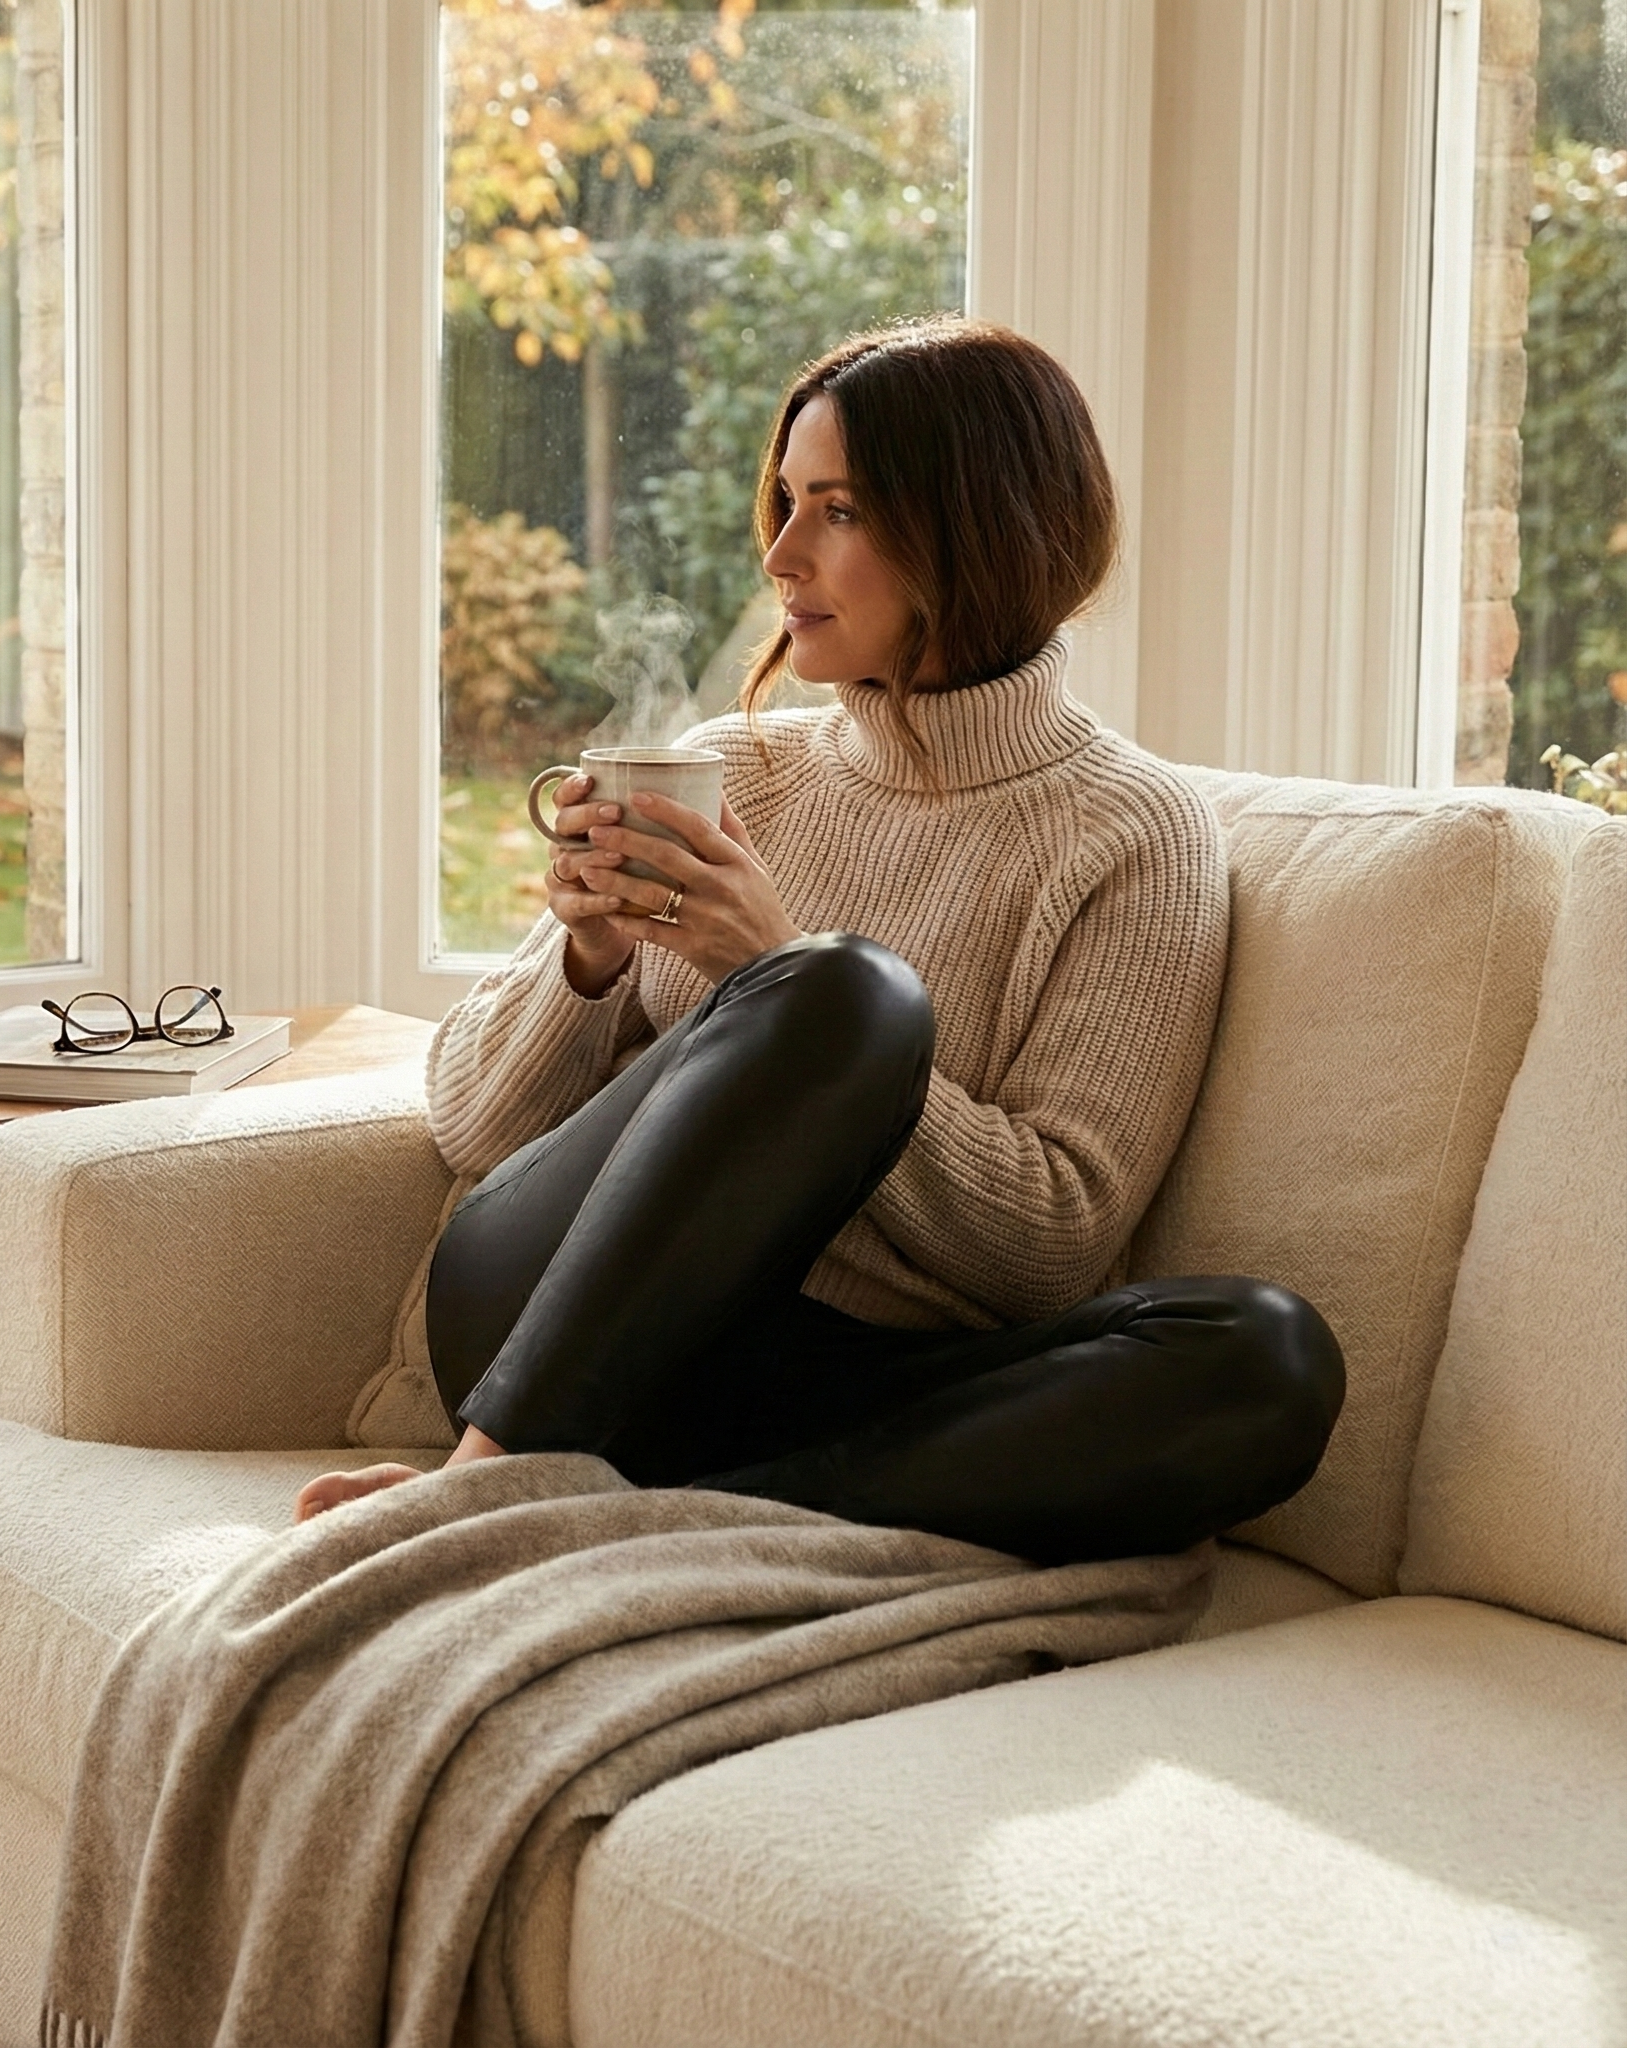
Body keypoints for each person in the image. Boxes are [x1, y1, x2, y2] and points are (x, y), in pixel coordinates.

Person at [296, 316, 1343, 1563]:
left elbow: (1049, 1249)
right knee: (843, 991)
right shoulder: (736, 771)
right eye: (785, 503)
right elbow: (471, 1123)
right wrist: (586, 963)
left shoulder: (1131, 836)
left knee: (1265, 1357)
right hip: (549, 1326)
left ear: (976, 528)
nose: (782, 554)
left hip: (836, 1386)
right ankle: (483, 1485)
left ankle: (668, 1518)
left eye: (835, 510)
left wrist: (768, 962)